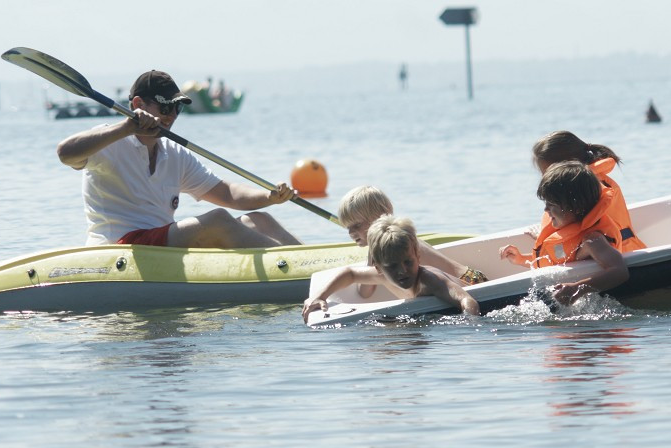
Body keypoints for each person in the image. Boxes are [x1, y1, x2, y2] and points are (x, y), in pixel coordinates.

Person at [57, 70, 300, 248]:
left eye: (177, 108)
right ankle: (293, 272)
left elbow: (227, 194)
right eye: (165, 107)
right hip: (120, 245)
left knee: (259, 220)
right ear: (138, 104)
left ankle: (315, 267)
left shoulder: (175, 154)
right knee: (217, 220)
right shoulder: (110, 141)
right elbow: (65, 153)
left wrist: (269, 196)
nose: (171, 116)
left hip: (161, 245)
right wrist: (126, 128)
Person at [303, 215, 480, 322]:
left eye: (408, 262)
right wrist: (319, 297)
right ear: (378, 267)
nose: (402, 271)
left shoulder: (429, 280)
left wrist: (468, 327)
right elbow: (350, 274)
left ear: (417, 256)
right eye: (392, 266)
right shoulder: (383, 276)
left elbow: (468, 301)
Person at [499, 161, 629, 305]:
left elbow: (619, 270)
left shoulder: (593, 240)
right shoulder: (569, 232)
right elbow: (557, 259)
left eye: (552, 205)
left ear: (576, 208)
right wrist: (521, 259)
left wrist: (578, 288)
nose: (546, 210)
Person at [337, 185, 487, 299]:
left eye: (356, 225)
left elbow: (364, 292)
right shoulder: (403, 237)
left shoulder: (390, 247)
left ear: (378, 218)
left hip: (468, 285)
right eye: (348, 227)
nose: (351, 233)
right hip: (470, 278)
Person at [531, 131, 646, 252]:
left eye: (546, 173)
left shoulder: (586, 190)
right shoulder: (594, 182)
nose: (545, 180)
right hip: (625, 250)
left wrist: (543, 235)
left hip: (617, 254)